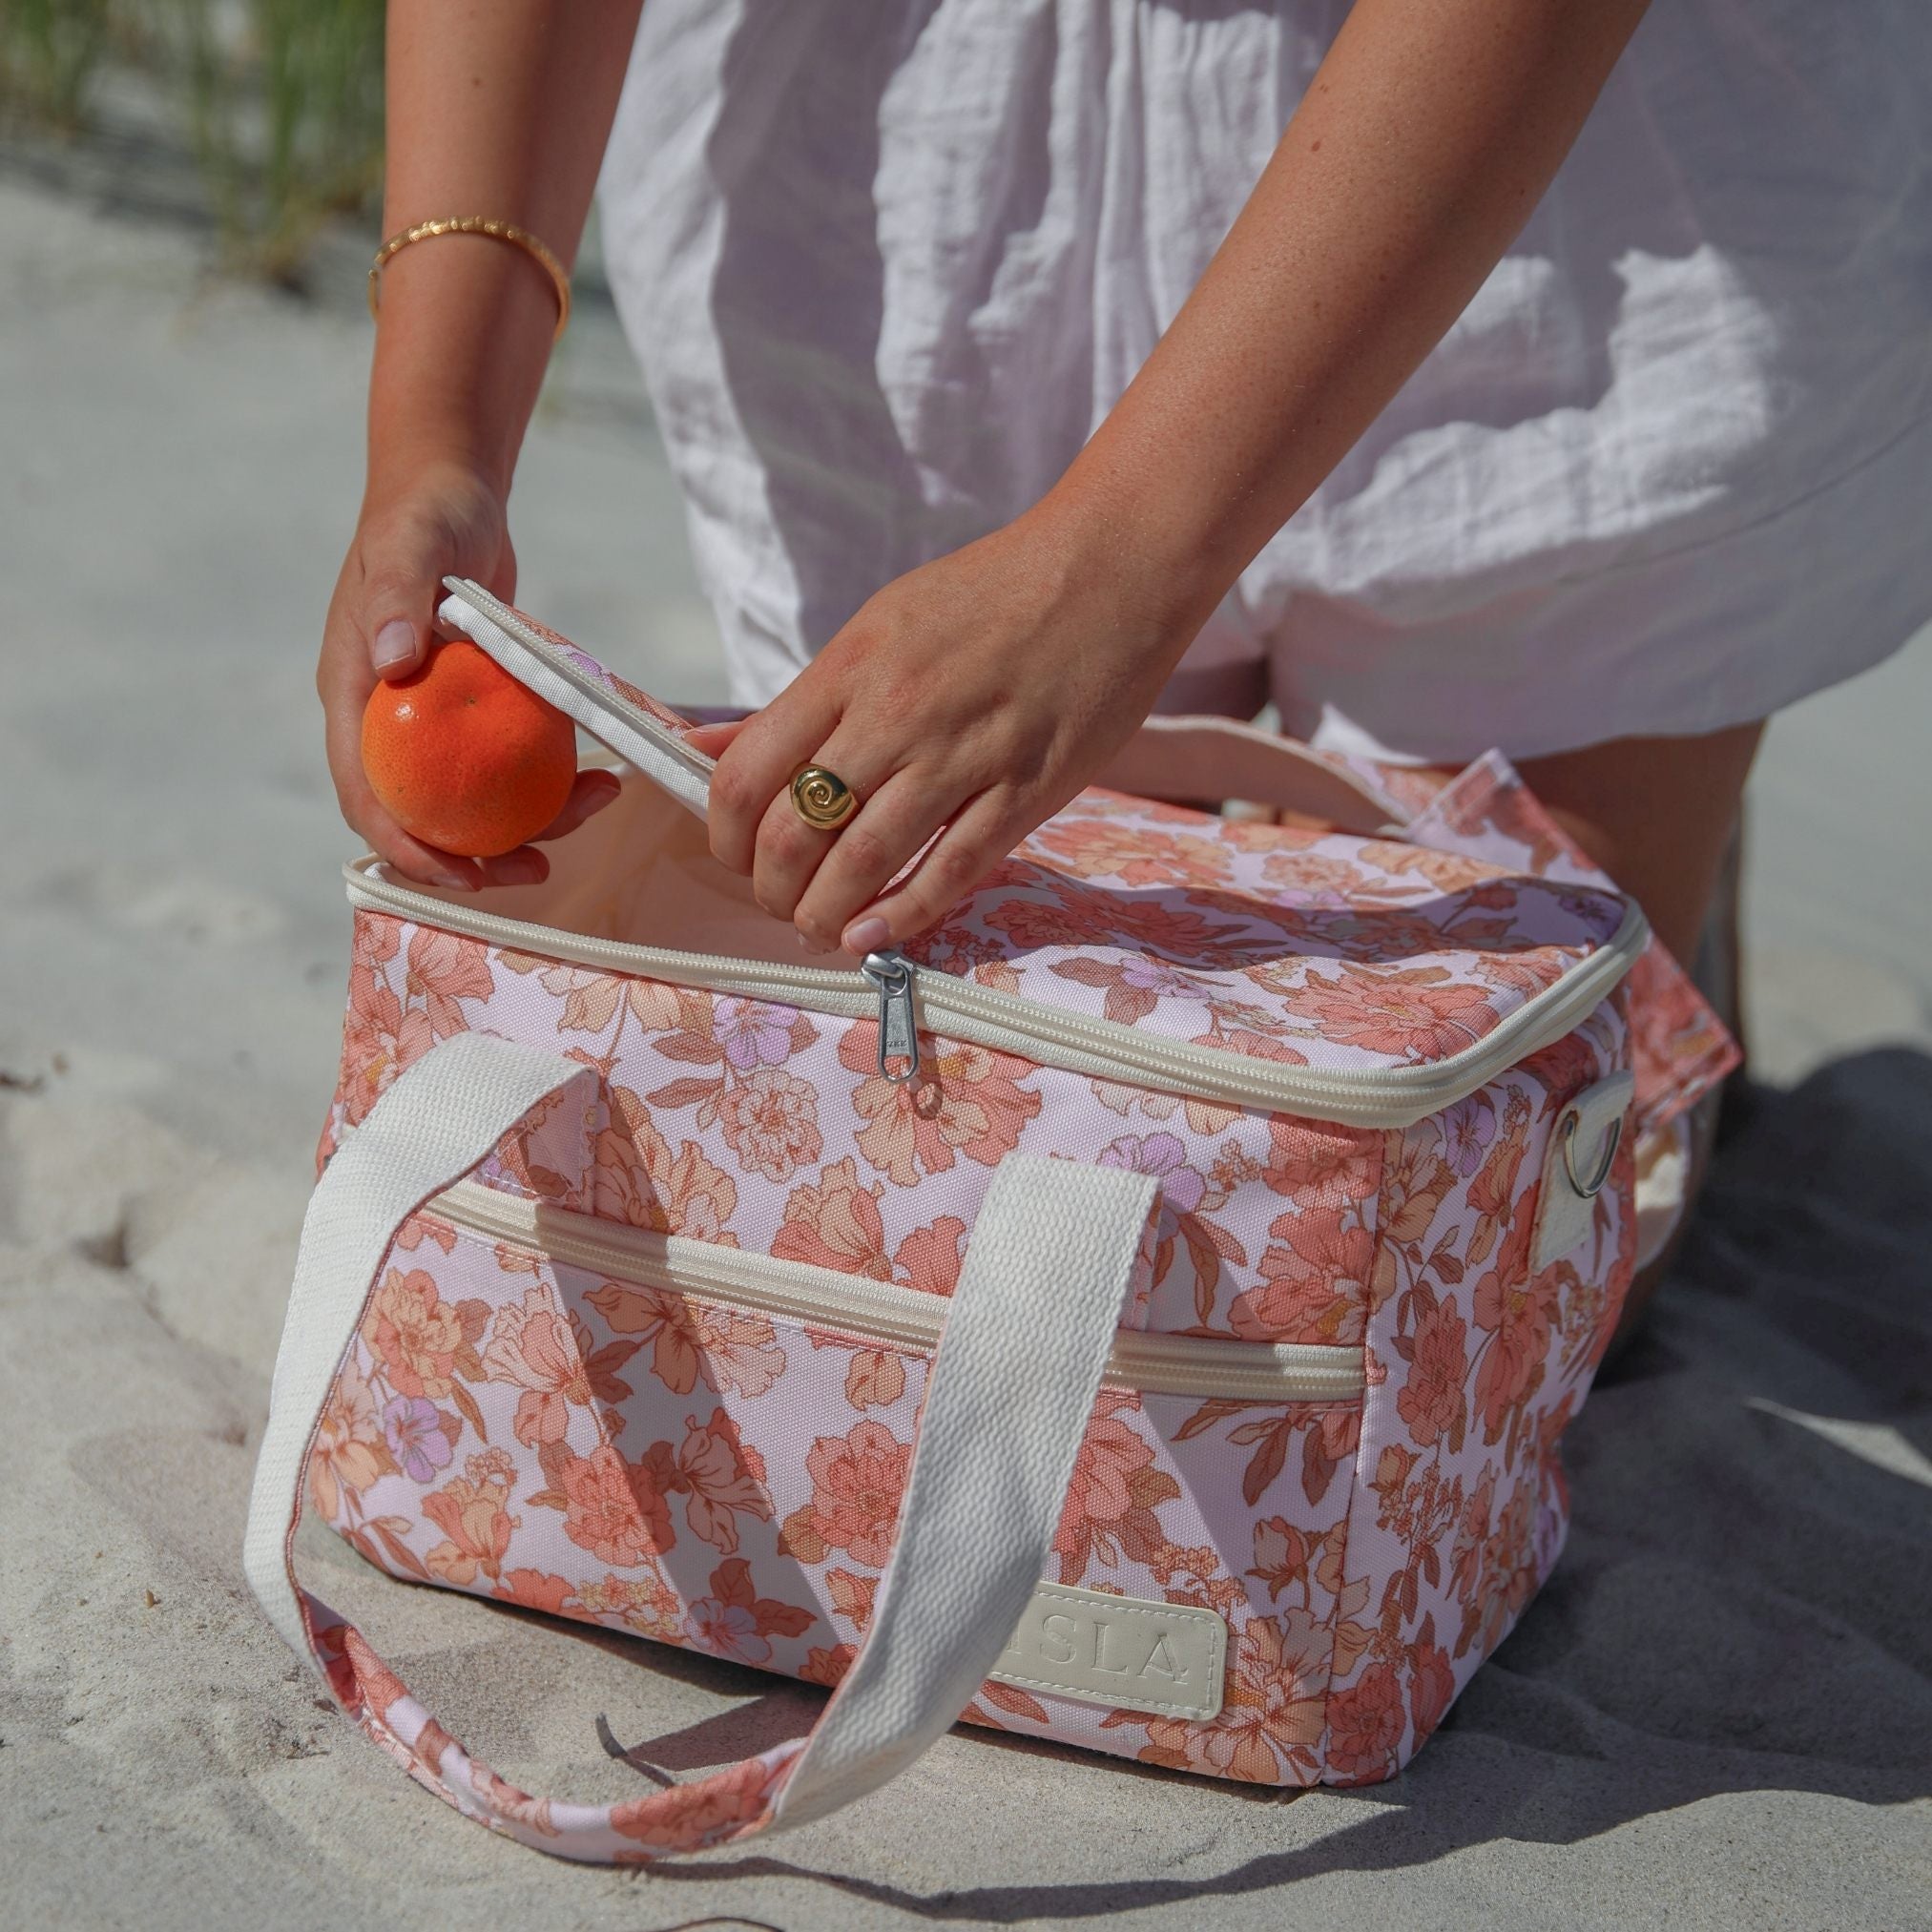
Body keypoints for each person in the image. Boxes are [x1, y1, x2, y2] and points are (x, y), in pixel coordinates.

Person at [320, 0, 1931, 987]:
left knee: (1474, 1207)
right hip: (927, 181)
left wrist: (1115, 564)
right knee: (997, 1064)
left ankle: (1649, 866)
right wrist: (437, 432)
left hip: (1539, 195)